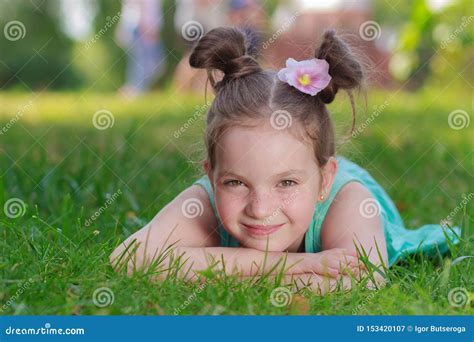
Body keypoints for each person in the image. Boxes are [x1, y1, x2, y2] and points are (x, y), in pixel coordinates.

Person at [110, 27, 460, 294]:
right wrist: (295, 266)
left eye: (287, 183)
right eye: (235, 183)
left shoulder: (349, 202)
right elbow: (130, 259)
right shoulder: (204, 200)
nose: (260, 209)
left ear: (324, 180)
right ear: (211, 174)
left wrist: (217, 270)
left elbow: (365, 278)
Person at [115, 0, 165, 98]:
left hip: (144, 26)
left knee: (154, 64)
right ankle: (134, 92)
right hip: (142, 26)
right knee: (143, 63)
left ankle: (133, 90)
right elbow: (139, 4)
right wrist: (145, 26)